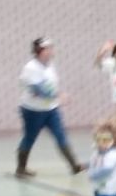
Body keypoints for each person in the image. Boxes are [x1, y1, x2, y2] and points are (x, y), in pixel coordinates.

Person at [16, 37, 85, 178]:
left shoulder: (50, 65)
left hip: (51, 109)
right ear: (39, 51)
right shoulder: (31, 68)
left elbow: (51, 85)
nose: (51, 51)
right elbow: (38, 90)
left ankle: (74, 165)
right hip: (33, 110)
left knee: (61, 135)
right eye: (47, 48)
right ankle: (21, 168)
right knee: (29, 138)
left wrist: (56, 96)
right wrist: (59, 95)